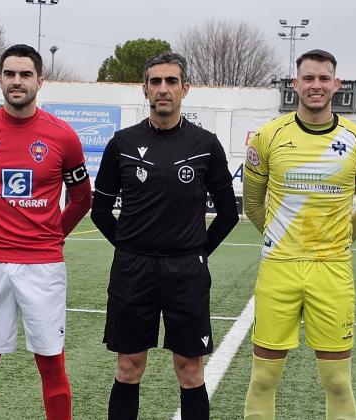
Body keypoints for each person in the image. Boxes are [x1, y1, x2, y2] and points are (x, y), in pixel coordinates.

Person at [91, 52, 239, 420]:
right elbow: (99, 211)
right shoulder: (121, 143)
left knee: (190, 369)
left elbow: (227, 213)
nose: (163, 89)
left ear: (185, 89)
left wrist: (197, 250)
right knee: (129, 366)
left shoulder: (206, 144)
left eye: (171, 81)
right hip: (132, 271)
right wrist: (129, 247)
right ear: (145, 90)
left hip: (186, 272)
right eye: (155, 82)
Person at [240, 49, 356, 420]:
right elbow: (253, 204)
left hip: (332, 270)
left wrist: (335, 243)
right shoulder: (267, 137)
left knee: (337, 380)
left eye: (323, 78)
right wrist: (279, 239)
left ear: (336, 84)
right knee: (263, 377)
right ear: (295, 84)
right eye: (308, 78)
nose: (316, 85)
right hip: (278, 268)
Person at [0, 44, 92, 420]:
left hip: (43, 267)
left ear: (40, 81)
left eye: (25, 74)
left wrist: (53, 234)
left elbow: (82, 199)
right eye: (10, 74)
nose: (17, 82)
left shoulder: (63, 136)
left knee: (51, 364)